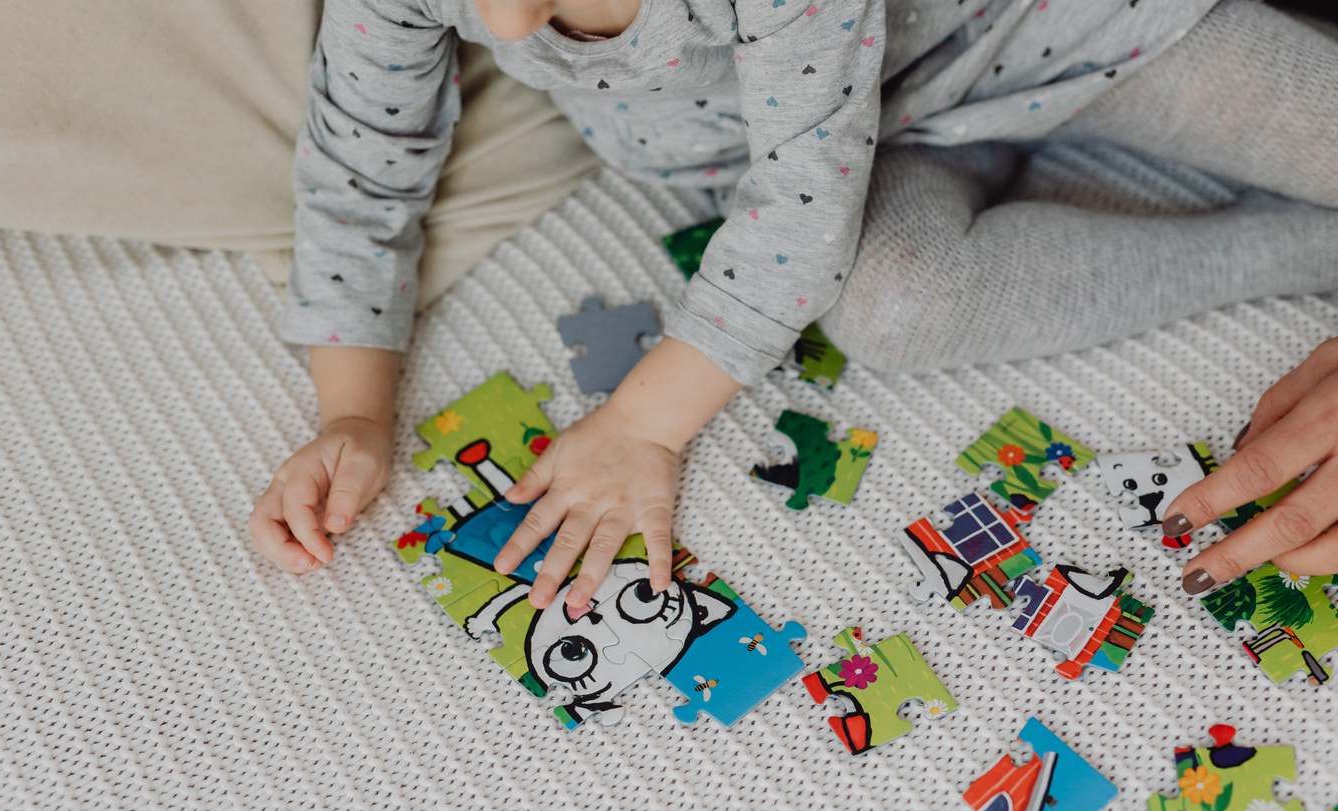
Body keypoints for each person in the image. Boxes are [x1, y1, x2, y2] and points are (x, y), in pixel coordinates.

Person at [249, 0, 1338, 606]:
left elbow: (801, 214)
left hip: (1045, 26)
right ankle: (1305, 251)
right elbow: (361, 161)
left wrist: (640, 424)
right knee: (891, 307)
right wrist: (351, 409)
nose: (500, 19)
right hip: (867, 151)